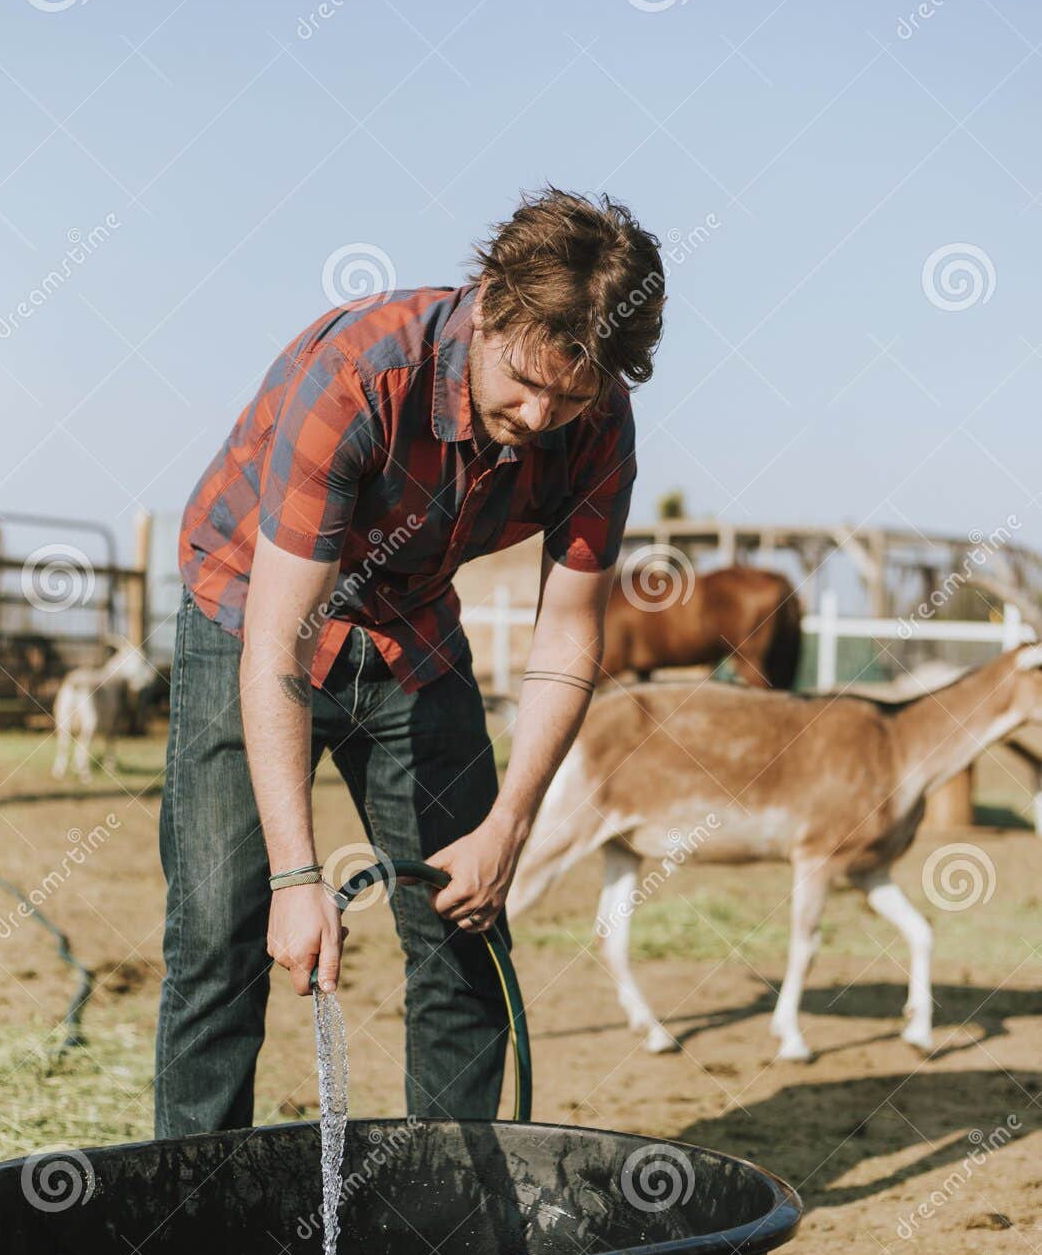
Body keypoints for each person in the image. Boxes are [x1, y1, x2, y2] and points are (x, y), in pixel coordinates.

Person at [154, 185, 665, 1137]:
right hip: (250, 618)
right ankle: (195, 1230)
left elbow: (566, 635)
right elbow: (279, 645)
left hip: (413, 631)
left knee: (463, 926)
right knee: (224, 938)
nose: (541, 412)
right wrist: (298, 879)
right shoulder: (355, 373)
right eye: (523, 379)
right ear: (490, 304)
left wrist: (511, 822)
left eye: (572, 390)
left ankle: (449, 1227)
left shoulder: (596, 420)